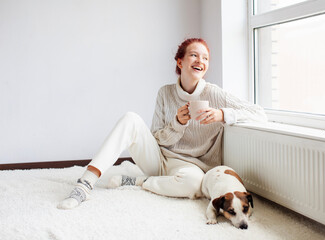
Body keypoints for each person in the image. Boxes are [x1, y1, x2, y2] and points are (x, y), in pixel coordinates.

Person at [57, 38, 267, 209]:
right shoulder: (165, 93)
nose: (200, 60)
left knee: (194, 185)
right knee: (130, 118)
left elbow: (259, 113)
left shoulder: (214, 93)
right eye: (194, 55)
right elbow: (156, 136)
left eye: (205, 58)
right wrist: (177, 123)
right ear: (180, 62)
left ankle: (138, 182)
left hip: (193, 166)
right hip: (159, 158)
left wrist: (222, 114)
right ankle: (84, 185)